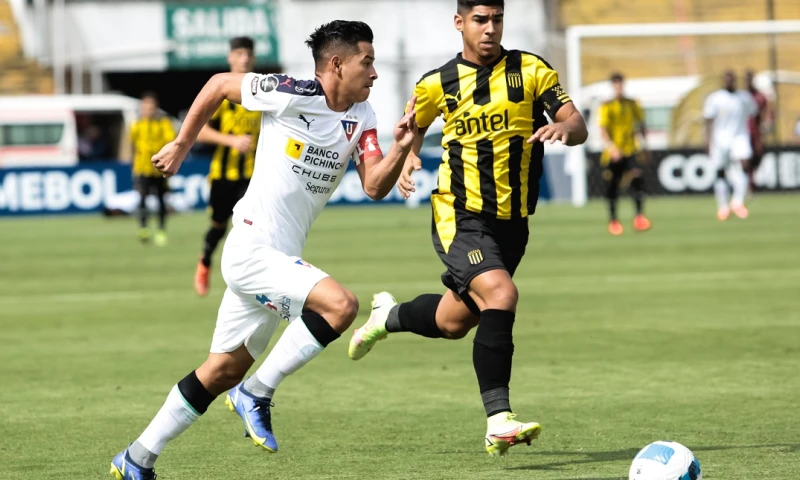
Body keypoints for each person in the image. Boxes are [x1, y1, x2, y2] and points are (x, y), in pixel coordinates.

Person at [110, 20, 419, 479]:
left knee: (219, 371)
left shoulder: (364, 116)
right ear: (336, 64)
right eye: (367, 62)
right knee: (341, 306)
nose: (374, 74)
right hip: (253, 249)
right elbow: (218, 85)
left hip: (277, 258)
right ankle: (257, 392)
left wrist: (403, 146)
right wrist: (181, 143)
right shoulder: (292, 90)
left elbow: (375, 185)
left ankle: (136, 458)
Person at [347, 0, 587, 458]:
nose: (490, 29)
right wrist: (410, 154)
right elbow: (412, 124)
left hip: (513, 223)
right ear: (460, 23)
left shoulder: (532, 71)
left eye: (497, 19)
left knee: (454, 321)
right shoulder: (437, 83)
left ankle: (387, 316)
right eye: (480, 19)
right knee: (501, 295)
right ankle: (499, 420)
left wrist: (563, 129)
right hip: (460, 214)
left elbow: (576, 122)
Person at [194, 36, 263, 296]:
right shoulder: (220, 92)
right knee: (219, 225)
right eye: (239, 53)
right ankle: (204, 261)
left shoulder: (263, 91)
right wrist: (230, 140)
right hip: (224, 174)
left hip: (254, 175)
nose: (244, 58)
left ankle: (245, 279)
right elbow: (198, 131)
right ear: (230, 57)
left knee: (252, 226)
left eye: (248, 53)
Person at [597, 73, 651, 235]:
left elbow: (641, 125)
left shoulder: (632, 104)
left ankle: (639, 217)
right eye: (615, 85)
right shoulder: (607, 106)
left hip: (630, 150)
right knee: (612, 187)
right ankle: (613, 221)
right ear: (612, 86)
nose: (618, 88)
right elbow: (603, 129)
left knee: (637, 180)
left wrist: (645, 146)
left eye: (620, 84)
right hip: (613, 153)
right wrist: (612, 148)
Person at [704, 70, 756, 220]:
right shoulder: (715, 98)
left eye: (732, 79)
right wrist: (708, 141)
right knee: (720, 172)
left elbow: (754, 112)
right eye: (727, 79)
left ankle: (737, 202)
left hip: (740, 138)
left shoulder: (744, 97)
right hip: (720, 140)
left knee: (744, 165)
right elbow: (708, 120)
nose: (730, 82)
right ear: (723, 81)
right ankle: (723, 206)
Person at [129, 91, 177, 246]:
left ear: (156, 108)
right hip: (142, 168)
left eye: (151, 107)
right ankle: (143, 228)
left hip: (159, 168)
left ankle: (161, 230)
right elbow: (132, 146)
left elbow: (171, 142)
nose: (148, 110)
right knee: (142, 198)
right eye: (145, 107)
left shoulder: (164, 123)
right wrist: (132, 165)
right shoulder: (136, 125)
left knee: (161, 200)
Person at [744, 69, 772, 192]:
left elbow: (768, 112)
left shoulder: (760, 97)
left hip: (756, 132)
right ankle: (748, 182)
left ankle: (752, 179)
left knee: (758, 155)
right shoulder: (741, 96)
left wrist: (767, 123)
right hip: (742, 133)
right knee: (745, 158)